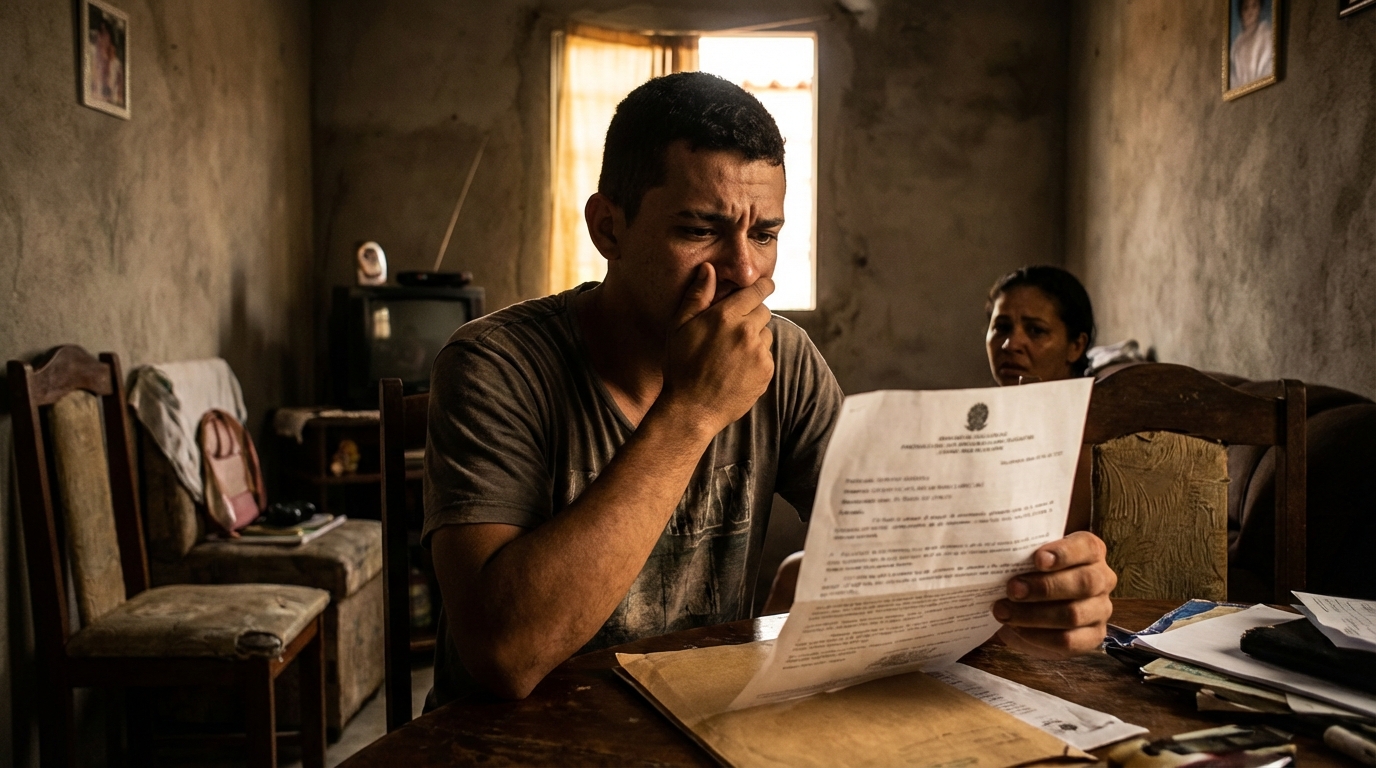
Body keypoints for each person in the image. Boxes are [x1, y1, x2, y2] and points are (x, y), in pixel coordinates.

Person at [423, 72, 1116, 706]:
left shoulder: (783, 356)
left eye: (767, 233)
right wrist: (691, 412)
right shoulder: (495, 364)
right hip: (513, 743)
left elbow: (894, 548)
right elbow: (506, 655)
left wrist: (1032, 595)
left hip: (697, 720)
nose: (743, 269)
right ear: (610, 227)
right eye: (699, 230)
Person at [984, 264, 1096, 532]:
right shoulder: (990, 426)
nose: (1011, 344)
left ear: (1076, 346)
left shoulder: (1090, 440)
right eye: (1001, 327)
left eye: (1035, 331)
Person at [1229, 0, 1273, 90]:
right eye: (1246, 8)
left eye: (1254, 6)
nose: (1250, 12)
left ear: (1259, 8)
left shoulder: (1267, 37)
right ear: (1241, 12)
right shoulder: (1236, 46)